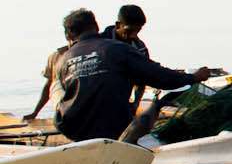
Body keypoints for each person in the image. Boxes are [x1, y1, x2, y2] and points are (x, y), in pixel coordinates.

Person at [51, 8, 211, 142]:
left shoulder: (63, 59)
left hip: (72, 127)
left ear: (69, 36)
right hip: (112, 126)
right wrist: (193, 77)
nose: (134, 35)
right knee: (155, 105)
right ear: (96, 26)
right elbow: (159, 76)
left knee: (57, 85)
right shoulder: (116, 48)